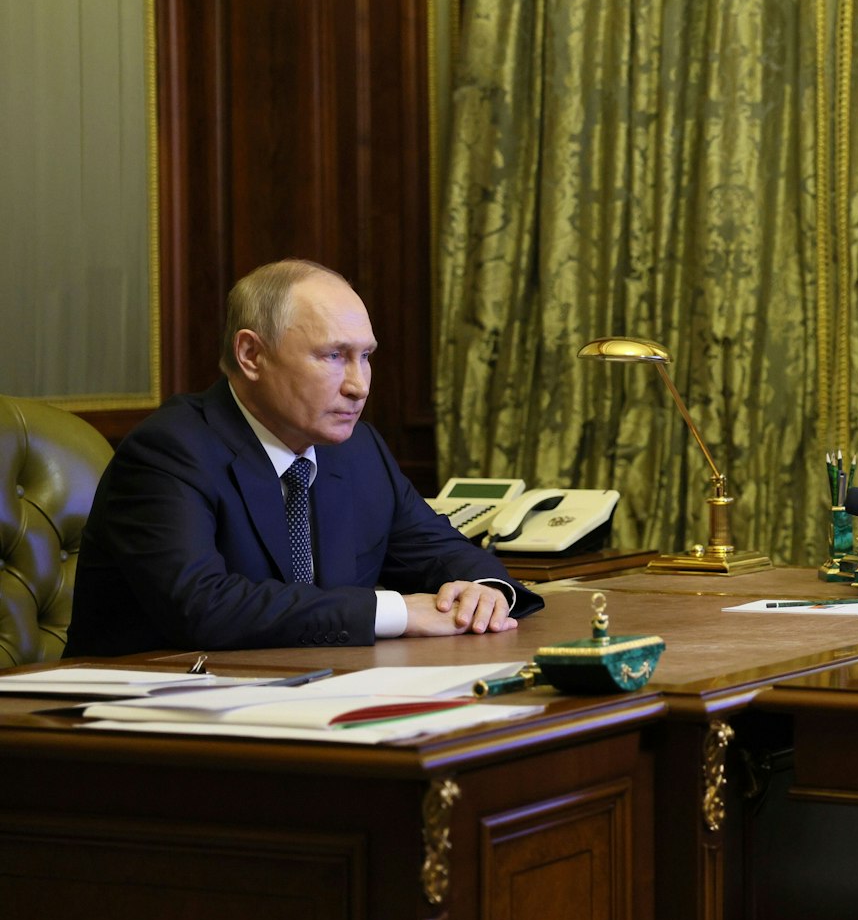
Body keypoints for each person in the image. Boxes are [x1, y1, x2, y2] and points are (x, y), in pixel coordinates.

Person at [66, 259, 546, 656]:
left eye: (366, 356)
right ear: (251, 354)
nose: (359, 385)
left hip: (313, 699)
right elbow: (204, 608)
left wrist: (482, 593)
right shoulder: (170, 450)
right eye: (334, 356)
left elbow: (441, 551)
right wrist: (396, 612)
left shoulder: (359, 450)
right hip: (140, 725)